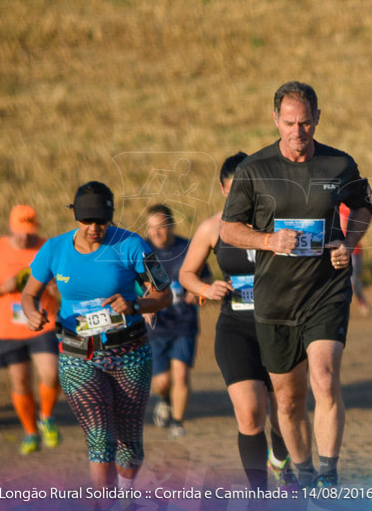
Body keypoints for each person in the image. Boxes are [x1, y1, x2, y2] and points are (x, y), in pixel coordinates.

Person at [220, 81, 372, 488]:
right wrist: (269, 240)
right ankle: (304, 471)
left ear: (317, 119)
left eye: (305, 123)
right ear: (275, 120)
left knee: (324, 379)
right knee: (288, 401)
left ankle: (328, 473)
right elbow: (229, 229)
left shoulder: (339, 165)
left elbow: (364, 205)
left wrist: (349, 242)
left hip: (326, 290)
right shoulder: (254, 170)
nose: (298, 132)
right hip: (275, 300)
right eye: (289, 123)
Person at [21, 181, 172, 491]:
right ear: (74, 215)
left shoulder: (132, 245)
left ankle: (125, 495)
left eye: (101, 221)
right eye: (87, 221)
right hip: (79, 355)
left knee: (129, 445)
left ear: (110, 217)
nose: (94, 228)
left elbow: (164, 294)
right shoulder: (54, 249)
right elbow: (29, 293)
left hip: (130, 352)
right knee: (100, 437)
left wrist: (135, 304)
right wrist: (31, 311)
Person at [177, 152, 297, 490]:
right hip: (236, 329)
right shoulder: (212, 227)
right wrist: (205, 287)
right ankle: (259, 492)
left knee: (285, 409)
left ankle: (281, 460)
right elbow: (186, 273)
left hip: (280, 326)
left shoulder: (278, 223)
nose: (241, 199)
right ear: (222, 189)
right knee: (250, 414)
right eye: (234, 191)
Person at [0, 205, 61, 454]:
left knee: (51, 373)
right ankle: (30, 432)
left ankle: (46, 417)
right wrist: (4, 287)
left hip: (43, 322)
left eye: (31, 231)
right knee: (20, 381)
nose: (27, 236)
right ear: (12, 227)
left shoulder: (48, 247)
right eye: (22, 231)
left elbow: (62, 283)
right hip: (9, 328)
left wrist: (55, 289)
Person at [144, 204, 208, 438]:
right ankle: (164, 399)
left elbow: (206, 278)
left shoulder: (187, 247)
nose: (156, 233)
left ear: (171, 226)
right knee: (162, 381)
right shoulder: (141, 250)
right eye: (152, 228)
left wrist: (197, 292)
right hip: (155, 327)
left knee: (181, 374)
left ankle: (177, 423)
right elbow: (128, 280)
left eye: (161, 227)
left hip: (184, 324)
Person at [338, 203, 371, 316]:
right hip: (337, 248)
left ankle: (361, 301)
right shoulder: (335, 206)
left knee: (353, 279)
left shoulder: (353, 205)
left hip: (354, 250)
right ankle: (341, 308)